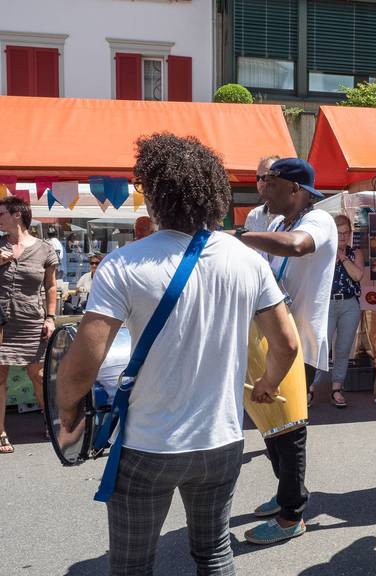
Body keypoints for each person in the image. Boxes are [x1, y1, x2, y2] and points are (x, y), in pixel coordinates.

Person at [56, 133, 299, 575]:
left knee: (132, 564)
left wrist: (67, 414)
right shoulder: (248, 260)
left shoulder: (124, 264)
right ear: (213, 195)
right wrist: (267, 384)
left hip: (148, 446)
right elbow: (287, 343)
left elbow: (82, 365)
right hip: (222, 440)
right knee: (214, 555)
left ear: (154, 195)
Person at [238, 157, 337, 544]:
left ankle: (291, 514)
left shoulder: (318, 221)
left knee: (289, 428)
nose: (265, 189)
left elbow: (298, 248)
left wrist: (238, 236)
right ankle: (287, 495)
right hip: (273, 337)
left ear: (295, 189)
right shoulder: (278, 224)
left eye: (272, 183)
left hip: (303, 341)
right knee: (270, 424)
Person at [0, 196, 58, 453]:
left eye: (1, 213)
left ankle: (50, 420)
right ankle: (1, 432)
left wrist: (50, 317)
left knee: (39, 375)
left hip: (31, 320)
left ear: (17, 215)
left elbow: (51, 285)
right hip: (1, 321)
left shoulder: (44, 248)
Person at [310, 213, 363, 408]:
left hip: (349, 304)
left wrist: (342, 258)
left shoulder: (354, 252)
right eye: (339, 233)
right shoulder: (323, 252)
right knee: (321, 346)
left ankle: (337, 388)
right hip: (326, 304)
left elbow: (357, 275)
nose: (343, 237)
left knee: (343, 348)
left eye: (346, 233)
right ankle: (310, 387)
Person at [245, 155, 282, 235]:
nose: (260, 182)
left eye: (265, 177)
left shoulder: (294, 215)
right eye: (258, 178)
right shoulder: (254, 215)